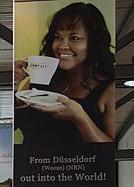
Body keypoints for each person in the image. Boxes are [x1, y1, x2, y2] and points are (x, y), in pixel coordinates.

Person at [14, 2, 116, 145]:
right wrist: (12, 87)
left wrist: (80, 118)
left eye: (74, 38)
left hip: (81, 167)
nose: (62, 45)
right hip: (32, 166)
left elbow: (113, 152)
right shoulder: (40, 80)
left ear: (94, 42)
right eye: (58, 37)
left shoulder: (109, 88)